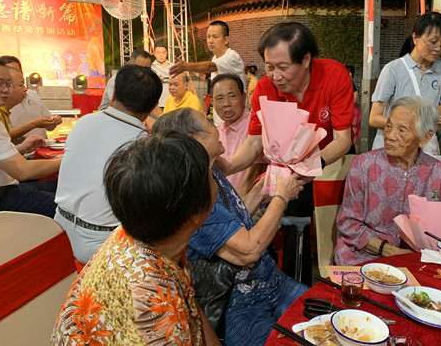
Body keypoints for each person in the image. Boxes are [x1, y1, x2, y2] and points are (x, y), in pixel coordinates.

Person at [152, 108, 307, 346]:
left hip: (268, 280)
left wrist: (263, 189)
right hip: (242, 300)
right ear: (195, 141)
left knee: (325, 316)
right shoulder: (193, 195)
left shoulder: (211, 171)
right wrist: (282, 198)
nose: (216, 128)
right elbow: (248, 250)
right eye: (208, 123)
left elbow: (234, 219)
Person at [51, 132, 221, 346]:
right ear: (194, 213)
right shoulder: (155, 311)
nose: (216, 179)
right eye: (211, 175)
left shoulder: (143, 229)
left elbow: (190, 304)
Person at [218, 22, 355, 284]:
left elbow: (342, 140)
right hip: (287, 168)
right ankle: (292, 286)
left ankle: (334, 281)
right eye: (269, 67)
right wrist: (229, 166)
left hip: (328, 158)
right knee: (291, 221)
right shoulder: (264, 88)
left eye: (283, 67)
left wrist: (310, 166)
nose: (275, 76)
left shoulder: (334, 75)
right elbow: (255, 143)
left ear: (305, 60)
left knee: (331, 227)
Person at [54, 64, 162, 264]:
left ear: (113, 93)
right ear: (153, 105)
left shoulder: (84, 122)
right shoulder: (140, 143)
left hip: (59, 229)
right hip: (100, 244)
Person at [334, 95, 441, 265]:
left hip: (414, 259)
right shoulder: (364, 165)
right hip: (362, 256)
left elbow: (436, 232)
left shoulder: (439, 174)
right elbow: (348, 223)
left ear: (424, 138)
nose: (389, 136)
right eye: (388, 126)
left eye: (401, 130)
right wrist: (390, 251)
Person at [370, 12, 441, 155]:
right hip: (394, 148)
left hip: (425, 150)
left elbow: (437, 125)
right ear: (415, 38)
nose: (438, 48)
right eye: (433, 42)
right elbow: (374, 118)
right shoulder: (393, 69)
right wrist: (408, 127)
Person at [0, 56, 61, 216]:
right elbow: (23, 171)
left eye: (8, 84)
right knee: (68, 207)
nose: (6, 89)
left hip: (7, 186)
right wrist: (68, 159)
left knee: (61, 188)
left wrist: (20, 148)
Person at [168, 20, 246, 125]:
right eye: (208, 37)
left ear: (226, 40)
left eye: (215, 37)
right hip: (222, 121)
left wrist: (186, 66)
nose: (210, 41)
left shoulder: (232, 56)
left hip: (236, 120)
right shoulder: (215, 58)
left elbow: (210, 67)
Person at [211, 73, 266, 193]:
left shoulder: (255, 127)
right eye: (219, 98)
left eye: (232, 96)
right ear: (212, 102)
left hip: (251, 206)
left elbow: (253, 174)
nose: (226, 103)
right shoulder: (217, 131)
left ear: (243, 97)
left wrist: (237, 210)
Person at [0, 56, 62, 142]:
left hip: (41, 148)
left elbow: (49, 126)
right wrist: (34, 124)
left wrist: (54, 121)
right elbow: (2, 138)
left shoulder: (33, 94)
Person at [150, 41, 172, 109]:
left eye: (163, 53)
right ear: (154, 54)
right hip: (156, 105)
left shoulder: (173, 66)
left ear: (167, 53)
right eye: (158, 53)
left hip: (171, 103)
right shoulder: (151, 67)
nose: (161, 55)